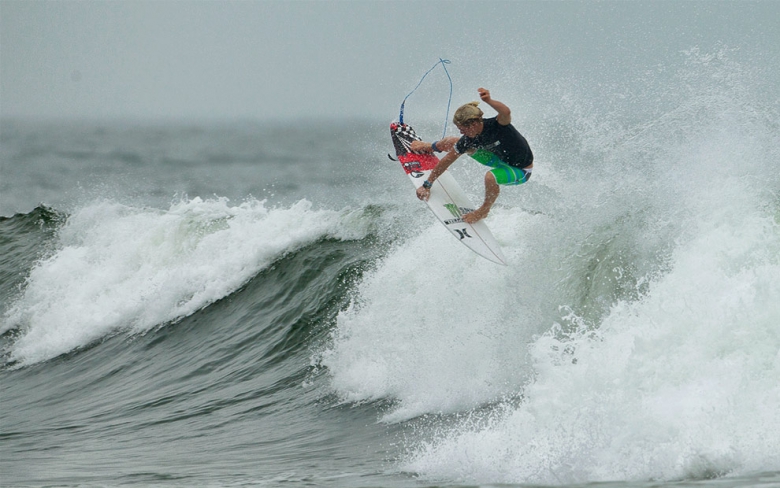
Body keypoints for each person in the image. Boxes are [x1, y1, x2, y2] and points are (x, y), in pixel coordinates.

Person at [411, 88, 533, 224]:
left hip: (521, 170)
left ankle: (483, 211)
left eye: (462, 129)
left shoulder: (498, 125)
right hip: (497, 160)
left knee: (490, 177)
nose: (461, 132)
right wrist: (427, 185)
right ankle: (427, 146)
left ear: (474, 124)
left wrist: (489, 101)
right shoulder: (468, 138)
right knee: (453, 142)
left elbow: (506, 112)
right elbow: (448, 160)